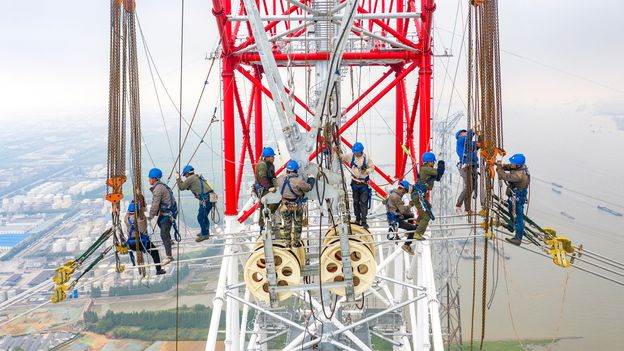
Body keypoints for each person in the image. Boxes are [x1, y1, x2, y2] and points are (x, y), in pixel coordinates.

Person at [274, 160, 315, 247]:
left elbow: (275, 183)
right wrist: (311, 179)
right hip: (296, 206)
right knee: (297, 225)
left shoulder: (280, 179)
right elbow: (308, 188)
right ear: (296, 170)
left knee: (287, 225)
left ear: (287, 170)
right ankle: (296, 243)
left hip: (285, 206)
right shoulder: (299, 181)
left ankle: (287, 243)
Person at [497, 154, 530, 246]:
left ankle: (518, 239)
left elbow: (503, 176)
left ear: (518, 165)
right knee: (511, 209)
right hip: (515, 193)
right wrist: (501, 165)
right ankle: (511, 226)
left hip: (518, 195)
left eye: (513, 163)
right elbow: (510, 167)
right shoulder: (520, 167)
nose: (511, 164)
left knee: (518, 217)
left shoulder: (518, 175)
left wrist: (499, 167)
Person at [410, 152, 445, 240]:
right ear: (428, 162)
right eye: (432, 162)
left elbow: (437, 177)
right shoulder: (425, 169)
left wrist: (439, 171)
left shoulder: (427, 170)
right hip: (418, 196)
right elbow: (438, 172)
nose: (433, 163)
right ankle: (418, 233)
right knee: (426, 216)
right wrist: (441, 164)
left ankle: (417, 225)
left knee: (428, 207)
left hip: (419, 195)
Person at [125, 202, 166, 275]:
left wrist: (133, 203)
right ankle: (158, 269)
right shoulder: (142, 220)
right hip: (143, 244)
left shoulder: (126, 220)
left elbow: (128, 213)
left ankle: (158, 269)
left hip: (132, 245)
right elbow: (143, 211)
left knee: (152, 250)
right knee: (155, 252)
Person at [176, 164, 215, 242]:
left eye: (185, 175)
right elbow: (188, 187)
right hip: (210, 198)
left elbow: (181, 187)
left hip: (205, 199)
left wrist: (178, 178)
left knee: (200, 217)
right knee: (204, 216)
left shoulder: (190, 178)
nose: (185, 177)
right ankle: (205, 232)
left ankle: (204, 234)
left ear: (187, 173)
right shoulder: (197, 177)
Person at [340, 142, 375, 228]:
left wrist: (366, 171)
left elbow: (372, 168)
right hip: (354, 183)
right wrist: (336, 151)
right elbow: (341, 157)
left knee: (363, 202)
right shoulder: (351, 156)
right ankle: (357, 219)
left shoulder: (366, 159)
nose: (356, 154)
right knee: (356, 202)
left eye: (357, 152)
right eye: (355, 152)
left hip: (363, 184)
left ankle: (364, 221)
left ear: (361, 151)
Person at [147, 168, 178, 265]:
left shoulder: (158, 189)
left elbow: (155, 204)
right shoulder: (161, 186)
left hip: (167, 214)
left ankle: (169, 256)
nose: (149, 180)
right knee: (160, 223)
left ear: (154, 178)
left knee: (163, 234)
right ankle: (169, 241)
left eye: (150, 178)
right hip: (168, 212)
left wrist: (150, 216)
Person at [385, 180, 419, 255]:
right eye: (405, 191)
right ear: (402, 189)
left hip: (394, 215)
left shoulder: (393, 193)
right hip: (395, 220)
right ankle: (407, 245)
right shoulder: (396, 197)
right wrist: (410, 205)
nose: (405, 193)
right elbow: (403, 211)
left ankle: (407, 233)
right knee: (414, 229)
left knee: (411, 215)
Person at [455, 129, 479, 212]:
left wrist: (479, 141)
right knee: (469, 186)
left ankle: (467, 209)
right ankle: (458, 205)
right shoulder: (460, 140)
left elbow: (474, 144)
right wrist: (472, 132)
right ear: (460, 134)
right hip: (465, 167)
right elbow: (467, 141)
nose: (465, 133)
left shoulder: (468, 143)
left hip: (471, 167)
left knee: (471, 188)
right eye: (464, 132)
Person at [254, 147, 278, 232]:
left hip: (269, 187)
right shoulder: (262, 165)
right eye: (272, 156)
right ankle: (262, 226)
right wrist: (269, 188)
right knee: (265, 205)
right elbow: (262, 179)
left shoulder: (271, 165)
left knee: (275, 201)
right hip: (262, 188)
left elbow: (273, 177)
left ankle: (268, 219)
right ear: (267, 157)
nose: (273, 158)